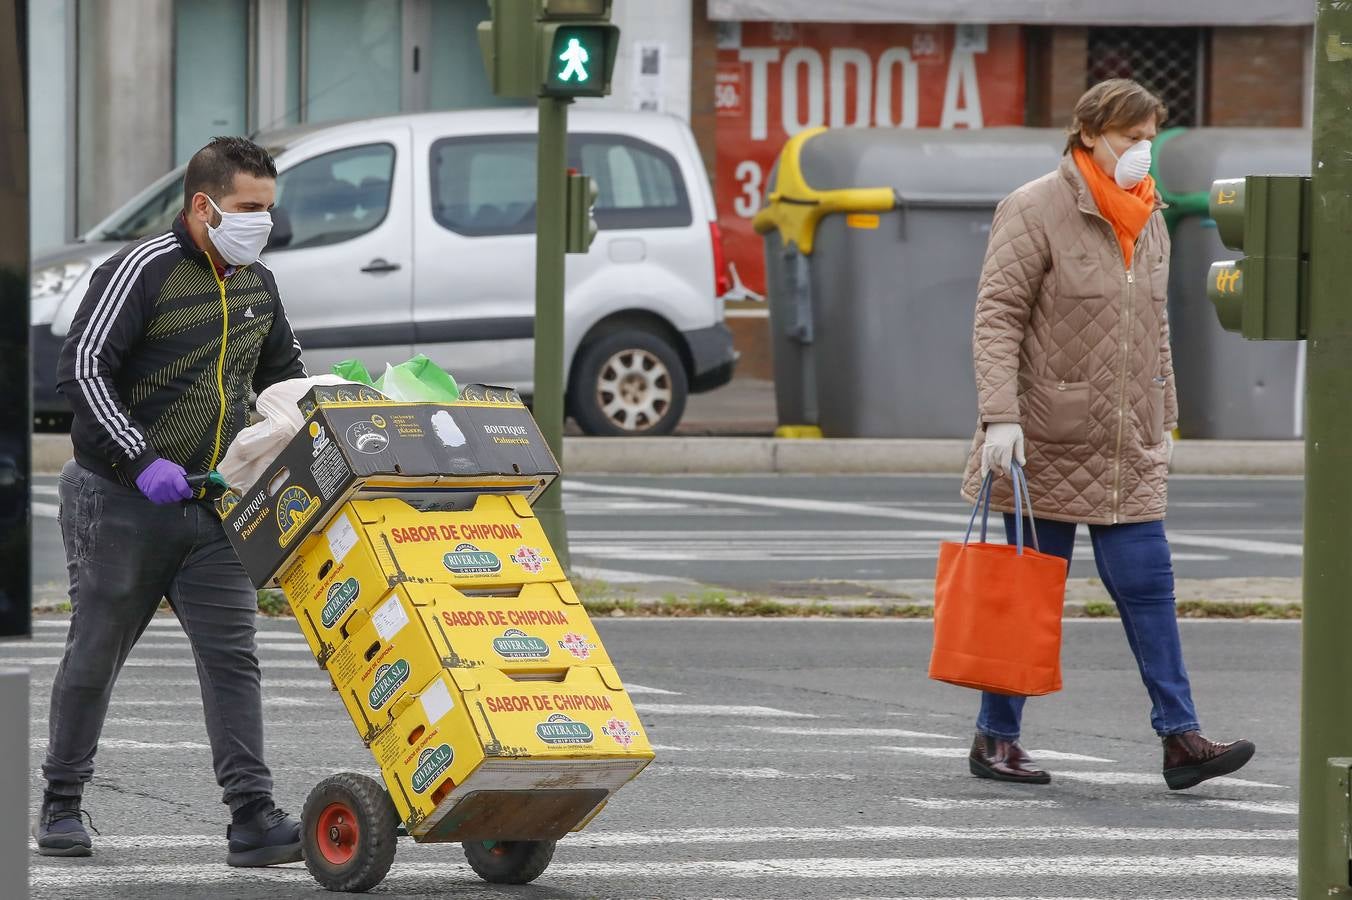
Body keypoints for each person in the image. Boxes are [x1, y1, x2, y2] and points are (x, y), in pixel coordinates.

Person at [960, 79, 1255, 790]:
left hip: (1127, 444)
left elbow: (1151, 331)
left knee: (1149, 586)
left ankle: (1180, 738)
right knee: (1032, 593)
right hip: (1045, 440)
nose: (1142, 151)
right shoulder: (1034, 208)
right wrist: (1000, 415)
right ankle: (995, 740)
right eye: (1130, 137)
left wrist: (1166, 416)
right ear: (1089, 133)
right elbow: (996, 316)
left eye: (1151, 137)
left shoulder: (1148, 215)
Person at [36, 136, 308, 864]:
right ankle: (61, 802)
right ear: (203, 205)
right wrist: (139, 457)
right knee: (95, 651)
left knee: (233, 660)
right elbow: (84, 369)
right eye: (249, 208)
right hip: (119, 501)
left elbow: (285, 381)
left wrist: (322, 413)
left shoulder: (259, 284)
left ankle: (251, 817)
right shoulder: (142, 271)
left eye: (269, 210)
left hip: (213, 506)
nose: (263, 223)